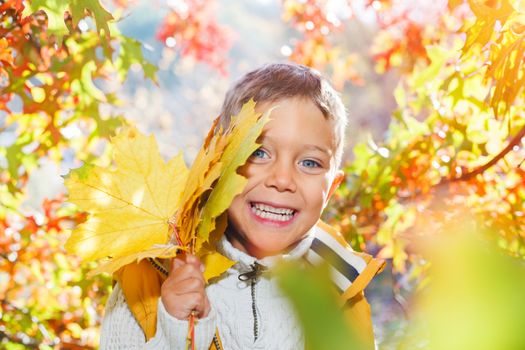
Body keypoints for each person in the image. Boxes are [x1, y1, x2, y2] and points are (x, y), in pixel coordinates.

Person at [99, 62, 384, 349]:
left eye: (309, 162)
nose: (282, 179)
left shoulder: (342, 291)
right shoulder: (150, 277)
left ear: (331, 188)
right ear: (218, 164)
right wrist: (173, 331)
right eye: (258, 152)